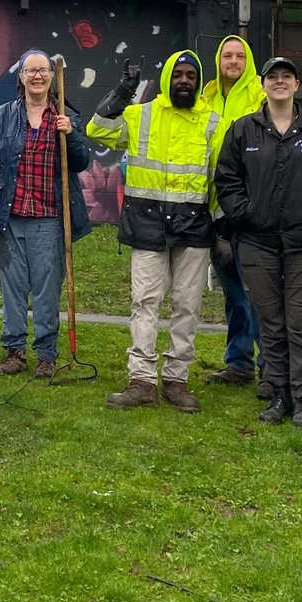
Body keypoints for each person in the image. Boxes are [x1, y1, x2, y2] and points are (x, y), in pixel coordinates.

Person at [86, 50, 223, 413]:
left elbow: (220, 177)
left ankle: (177, 380)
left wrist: (221, 225)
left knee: (187, 305)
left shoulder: (212, 122)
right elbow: (97, 128)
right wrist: (123, 90)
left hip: (194, 225)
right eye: (178, 74)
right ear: (167, 80)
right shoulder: (139, 115)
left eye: (191, 76)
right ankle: (142, 380)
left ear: (197, 82)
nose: (184, 81)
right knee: (144, 302)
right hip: (147, 223)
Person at [215, 57, 302, 428]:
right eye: (272, 77)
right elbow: (227, 178)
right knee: (271, 323)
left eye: (286, 76)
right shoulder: (243, 131)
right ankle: (279, 394)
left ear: (296, 84)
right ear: (262, 85)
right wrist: (243, 214)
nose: (279, 82)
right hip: (257, 244)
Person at [0, 48, 92, 378]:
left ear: (52, 77)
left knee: (46, 287)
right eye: (30, 71)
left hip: (50, 217)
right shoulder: (4, 116)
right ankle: (13, 350)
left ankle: (45, 354)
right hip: (9, 217)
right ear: (21, 78)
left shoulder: (66, 116)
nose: (37, 76)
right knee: (11, 286)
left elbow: (82, 163)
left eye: (43, 70)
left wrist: (73, 136)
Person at [200, 34, 268, 393]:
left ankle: (269, 367)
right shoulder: (206, 95)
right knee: (233, 293)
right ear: (218, 59)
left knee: (259, 291)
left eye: (240, 56)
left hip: (250, 209)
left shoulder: (261, 95)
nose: (234, 61)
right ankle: (238, 362)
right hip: (214, 209)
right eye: (227, 55)